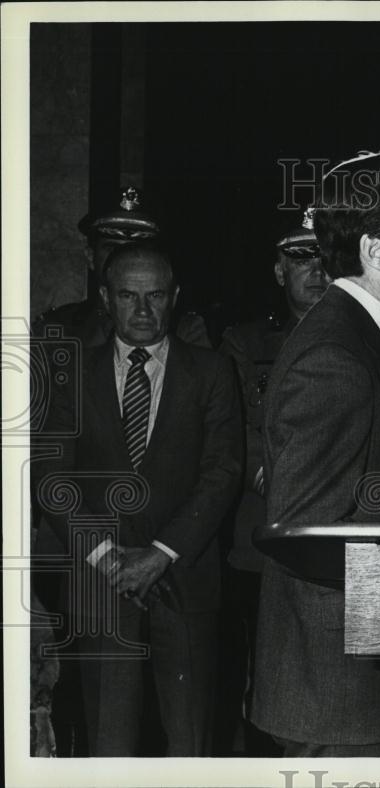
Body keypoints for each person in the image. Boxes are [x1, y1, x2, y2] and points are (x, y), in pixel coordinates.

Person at [250, 150, 380, 756]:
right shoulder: (335, 358)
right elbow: (304, 536)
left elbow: (371, 496)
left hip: (359, 685)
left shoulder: (364, 339)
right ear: (376, 252)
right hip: (342, 703)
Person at [35, 242, 242, 755]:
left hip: (185, 577)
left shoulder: (212, 371)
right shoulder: (71, 373)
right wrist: (107, 557)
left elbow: (224, 471)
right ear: (105, 298)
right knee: (109, 744)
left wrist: (160, 554)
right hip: (100, 582)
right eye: (129, 295)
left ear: (174, 297)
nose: (144, 310)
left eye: (155, 296)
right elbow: (51, 479)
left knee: (191, 745)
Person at [215, 209, 330, 754]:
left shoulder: (365, 339)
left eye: (324, 257)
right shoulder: (245, 342)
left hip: (338, 538)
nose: (315, 269)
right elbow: (229, 429)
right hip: (262, 538)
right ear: (279, 270)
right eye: (299, 258)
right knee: (265, 685)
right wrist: (284, 479)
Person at [33, 186, 210, 348]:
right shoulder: (58, 330)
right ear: (91, 257)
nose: (124, 261)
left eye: (136, 249)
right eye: (112, 249)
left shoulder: (183, 330)